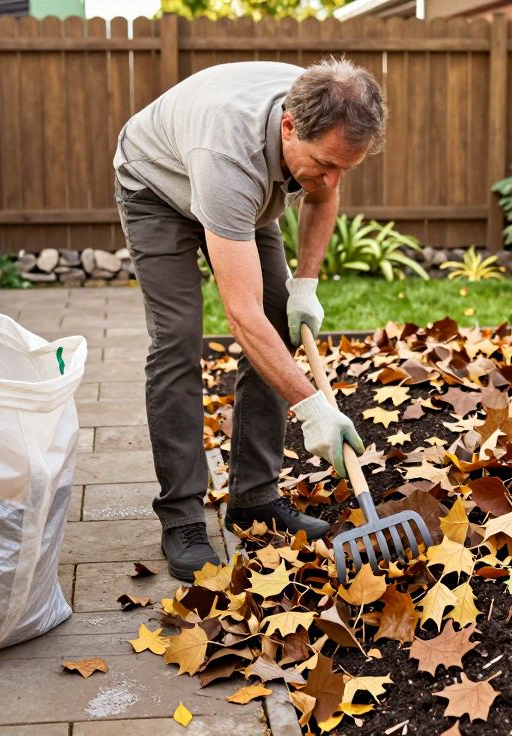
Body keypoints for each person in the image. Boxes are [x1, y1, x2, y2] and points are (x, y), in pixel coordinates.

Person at [111, 57, 386, 582]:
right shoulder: (226, 156)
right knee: (177, 340)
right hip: (157, 185)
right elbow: (241, 316)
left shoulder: (323, 114)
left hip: (247, 191)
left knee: (281, 316)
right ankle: (183, 517)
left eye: (344, 167)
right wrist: (312, 409)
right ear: (288, 126)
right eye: (325, 163)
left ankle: (254, 498)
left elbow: (324, 192)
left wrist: (304, 284)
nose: (330, 179)